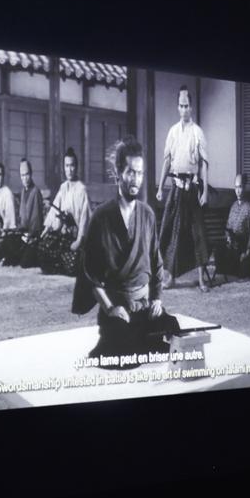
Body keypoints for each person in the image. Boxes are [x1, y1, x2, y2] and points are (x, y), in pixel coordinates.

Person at [72, 136, 180, 364]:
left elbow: (156, 263)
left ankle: (141, 338)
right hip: (118, 308)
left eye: (140, 173)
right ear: (118, 172)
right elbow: (89, 274)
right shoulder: (101, 217)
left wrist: (157, 300)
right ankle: (127, 340)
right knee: (127, 354)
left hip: (144, 306)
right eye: (131, 172)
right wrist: (110, 308)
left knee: (173, 328)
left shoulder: (148, 214)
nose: (136, 180)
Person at [156, 85, 210, 291]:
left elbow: (204, 164)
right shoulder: (172, 132)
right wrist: (161, 187)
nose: (184, 109)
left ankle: (202, 279)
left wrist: (204, 191)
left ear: (192, 107)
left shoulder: (198, 133)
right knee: (169, 232)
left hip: (192, 189)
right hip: (176, 188)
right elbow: (167, 161)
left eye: (187, 105)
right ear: (177, 107)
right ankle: (170, 278)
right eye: (181, 105)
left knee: (197, 233)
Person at [39, 148, 92, 276]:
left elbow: (85, 218)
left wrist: (79, 240)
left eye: (72, 165)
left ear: (76, 167)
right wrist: (46, 229)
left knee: (72, 265)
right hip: (64, 234)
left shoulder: (82, 189)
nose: (69, 169)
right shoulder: (63, 187)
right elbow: (54, 208)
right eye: (67, 166)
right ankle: (59, 262)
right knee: (43, 251)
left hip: (77, 236)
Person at [214, 173, 250, 278]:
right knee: (218, 250)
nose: (238, 191)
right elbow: (228, 226)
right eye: (236, 187)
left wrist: (247, 251)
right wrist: (228, 237)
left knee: (243, 268)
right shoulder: (233, 206)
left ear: (244, 188)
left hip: (243, 246)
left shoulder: (249, 209)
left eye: (240, 187)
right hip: (232, 243)